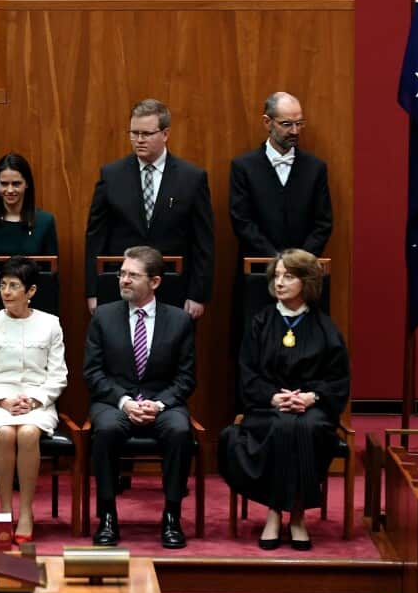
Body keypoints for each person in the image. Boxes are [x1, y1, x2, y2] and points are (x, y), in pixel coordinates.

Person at [219, 249, 349, 551]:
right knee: (281, 427)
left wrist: (311, 397)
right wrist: (274, 397)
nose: (279, 283)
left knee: (305, 428)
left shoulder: (325, 328)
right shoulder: (260, 323)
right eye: (276, 276)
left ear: (307, 282)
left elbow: (338, 379)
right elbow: (247, 373)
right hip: (267, 407)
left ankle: (294, 515)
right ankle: (280, 513)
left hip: (312, 409)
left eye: (288, 276)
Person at [83, 246, 196, 549]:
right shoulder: (104, 317)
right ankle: (107, 516)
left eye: (133, 275)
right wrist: (124, 402)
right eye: (122, 274)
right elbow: (93, 373)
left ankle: (172, 516)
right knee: (105, 430)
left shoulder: (179, 321)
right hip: (115, 401)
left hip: (163, 402)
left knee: (179, 430)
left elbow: (186, 378)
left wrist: (158, 404)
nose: (124, 280)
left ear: (155, 282)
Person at [0, 256, 67, 543]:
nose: (6, 292)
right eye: (3, 285)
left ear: (31, 291)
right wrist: (2, 401)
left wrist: (33, 401)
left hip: (38, 404)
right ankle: (3, 510)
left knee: (26, 433)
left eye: (13, 286)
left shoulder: (50, 324)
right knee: (5, 433)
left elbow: (58, 376)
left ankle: (25, 512)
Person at [85, 98, 214, 318]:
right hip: (122, 286)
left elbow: (203, 241)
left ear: (165, 134)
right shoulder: (111, 175)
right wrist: (93, 290)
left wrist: (198, 294)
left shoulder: (191, 178)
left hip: (173, 287)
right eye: (134, 133)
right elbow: (96, 236)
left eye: (146, 134)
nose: (139, 140)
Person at [0, 153, 59, 357]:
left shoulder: (44, 222)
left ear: (27, 185)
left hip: (31, 316)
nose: (10, 190)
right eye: (4, 184)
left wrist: (52, 324)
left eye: (16, 183)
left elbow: (51, 279)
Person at [228, 92, 333, 258]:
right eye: (287, 124)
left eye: (299, 123)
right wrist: (276, 259)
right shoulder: (243, 167)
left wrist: (297, 262)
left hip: (302, 273)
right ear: (267, 122)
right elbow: (242, 222)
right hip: (257, 270)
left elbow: (323, 223)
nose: (295, 131)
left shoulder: (316, 168)